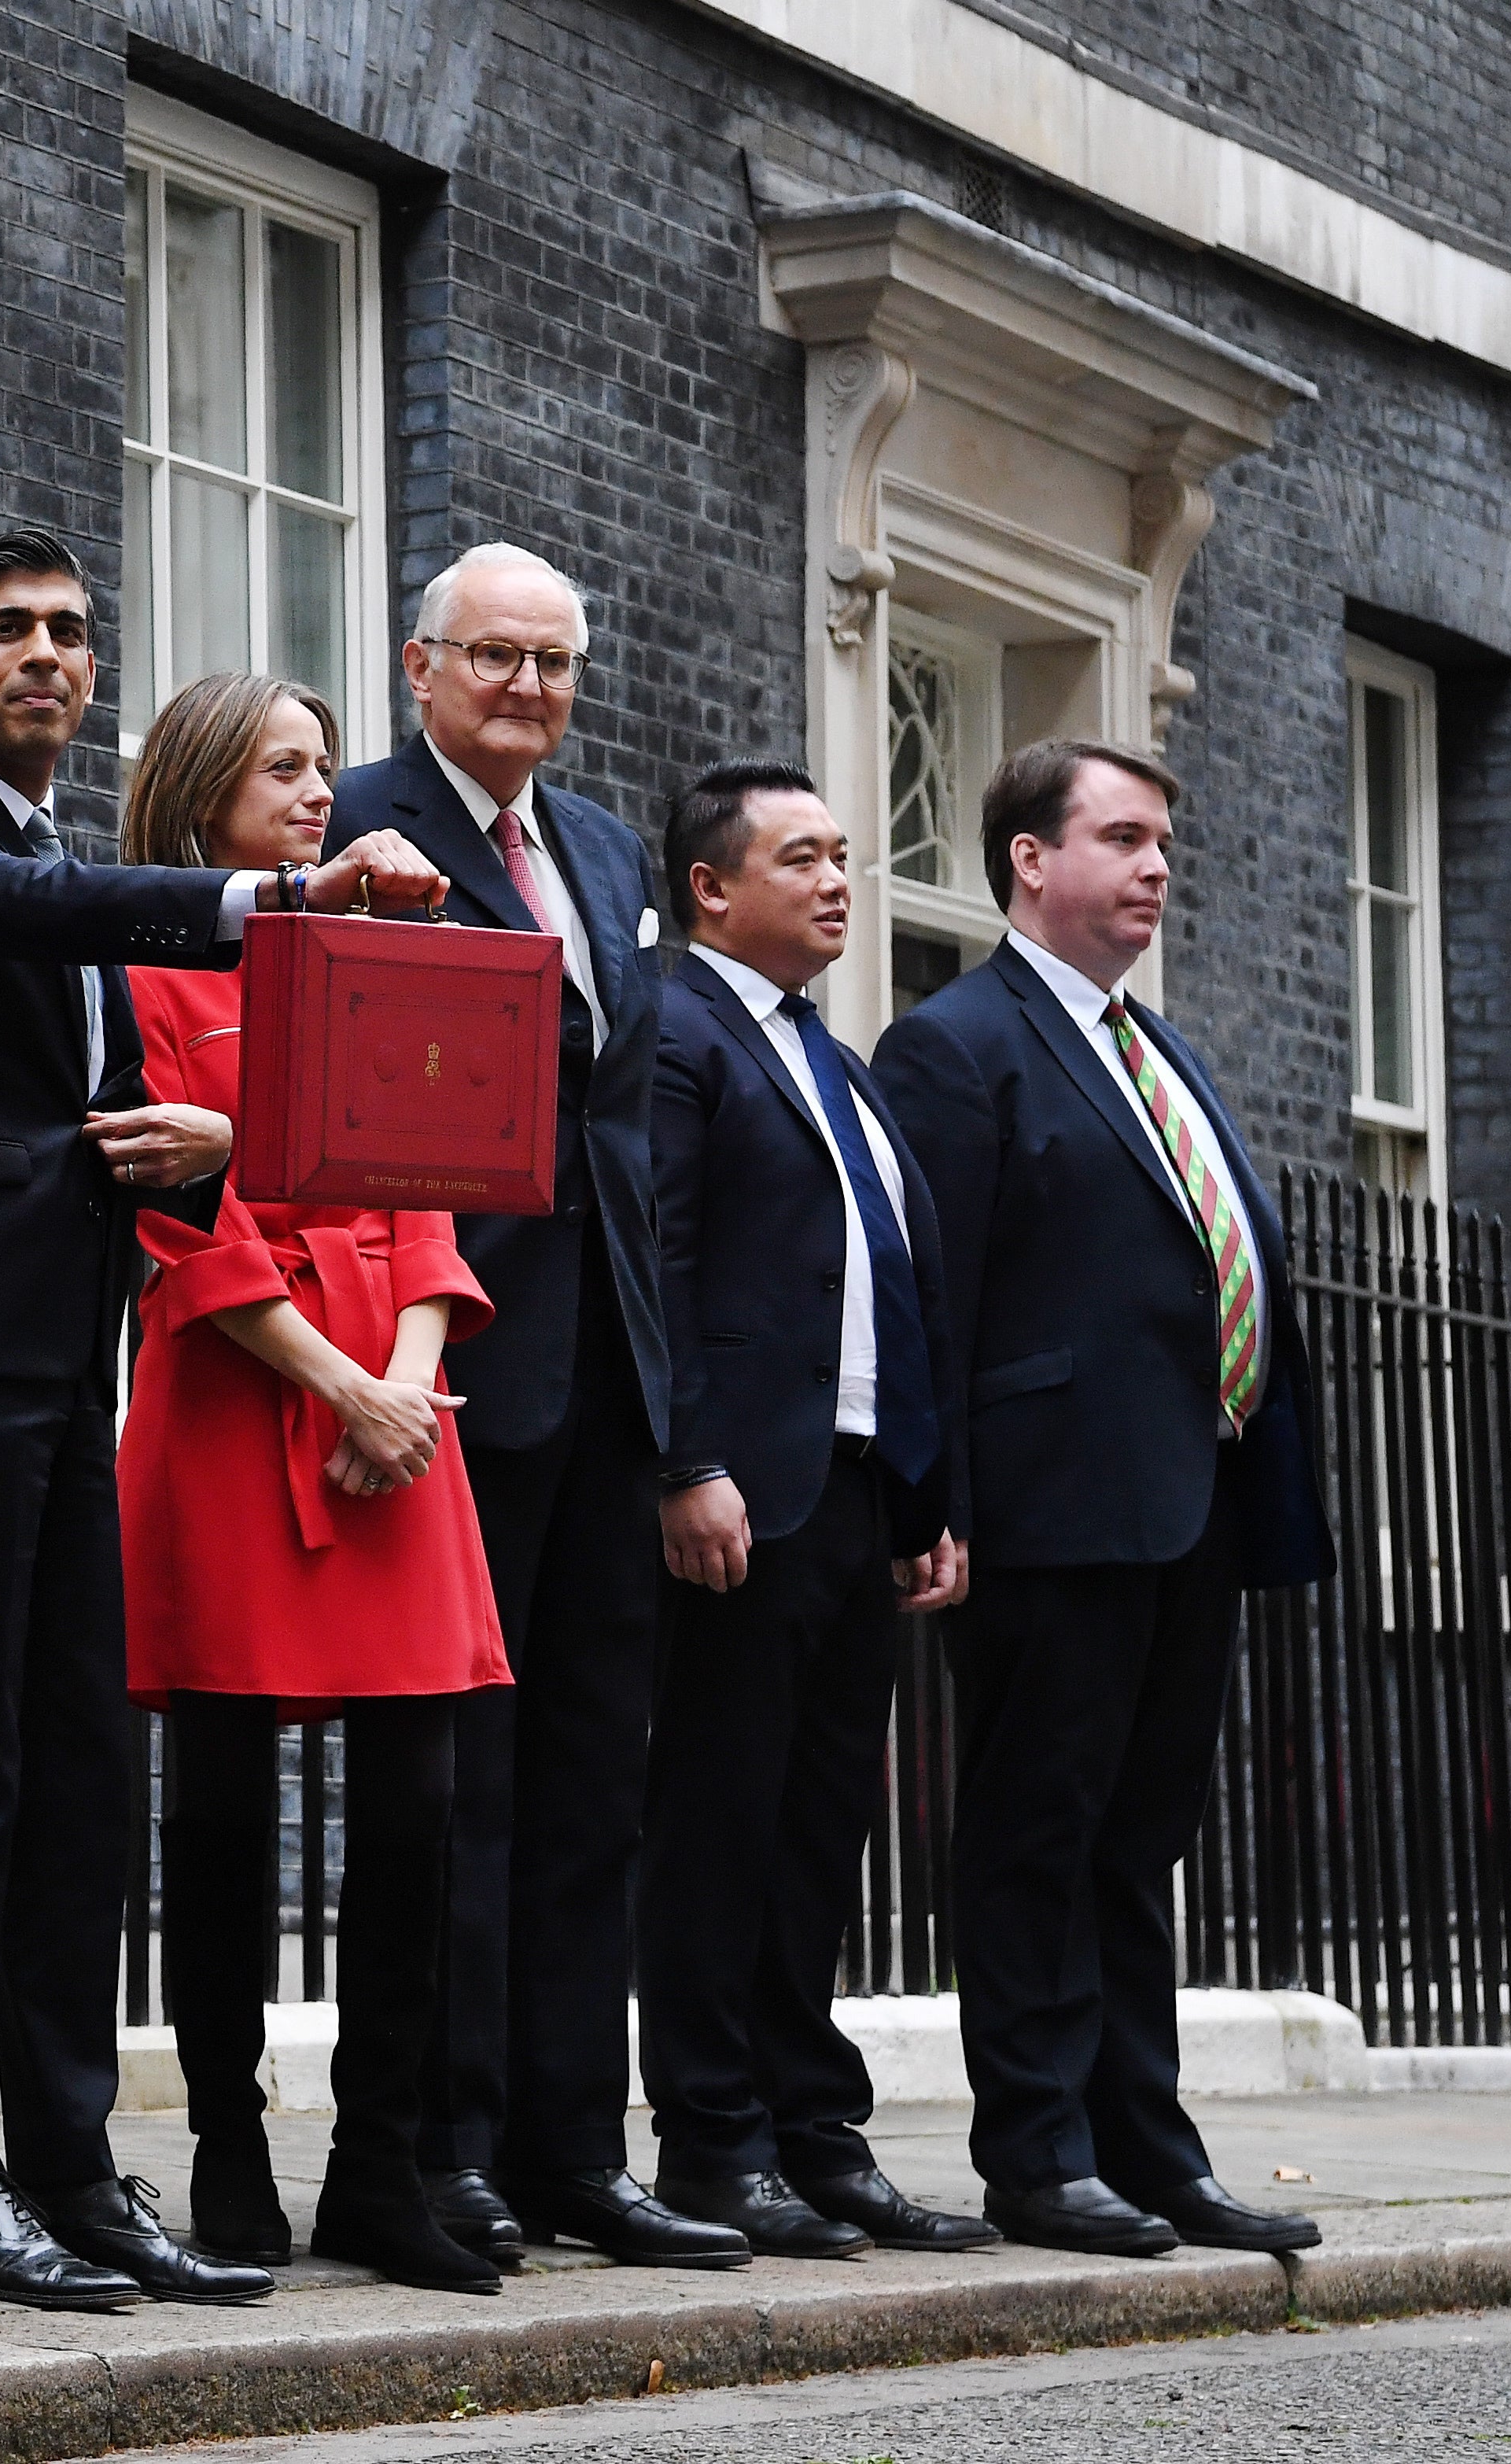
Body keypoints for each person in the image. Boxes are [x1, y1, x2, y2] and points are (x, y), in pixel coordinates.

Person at [0, 530, 444, 2313]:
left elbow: (166, 1106)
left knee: (77, 1788)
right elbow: (30, 918)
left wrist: (219, 1144)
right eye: (7, 632)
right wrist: (260, 906)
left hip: (66, 1366)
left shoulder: (62, 870)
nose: (45, 658)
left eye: (72, 637)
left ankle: (74, 2169)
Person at [321, 544, 743, 2270]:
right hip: (444, 1363)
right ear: (420, 667)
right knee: (452, 1792)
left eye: (555, 665)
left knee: (588, 1782)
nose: (527, 691)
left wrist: (677, 1424)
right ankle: (444, 2139)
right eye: (494, 658)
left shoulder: (609, 852)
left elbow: (626, 1147)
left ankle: (580, 2145)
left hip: (600, 1389)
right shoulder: (359, 824)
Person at [871, 739, 1336, 2260]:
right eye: (1122, 839)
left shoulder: (1158, 1047)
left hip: (1189, 1502)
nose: (1152, 868)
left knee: (1140, 1842)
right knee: (1036, 1832)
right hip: (1051, 1513)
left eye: (1160, 845)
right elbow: (927, 1294)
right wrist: (926, 1501)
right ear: (1028, 860)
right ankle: (1038, 2151)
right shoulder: (954, 1044)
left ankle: (1148, 2143)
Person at [111, 673, 508, 2298]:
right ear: (204, 786)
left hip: (399, 1415)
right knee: (215, 1811)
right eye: (281, 765)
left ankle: (378, 2161)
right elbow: (180, 1229)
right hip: (235, 1398)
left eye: (325, 766)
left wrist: (404, 1386)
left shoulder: (372, 963)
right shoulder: (141, 961)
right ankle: (221, 2142)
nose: (315, 789)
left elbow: (430, 1193)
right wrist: (341, 1383)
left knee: (415, 1808)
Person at [632, 761, 990, 2259]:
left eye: (847, 856)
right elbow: (658, 1256)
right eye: (802, 858)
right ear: (712, 887)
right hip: (743, 1492)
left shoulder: (831, 1061)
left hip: (855, 1492)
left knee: (819, 1825)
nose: (840, 880)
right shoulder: (675, 1025)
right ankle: (713, 2139)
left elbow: (894, 1289)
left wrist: (927, 1494)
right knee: (720, 1819)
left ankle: (812, 2125)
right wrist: (683, 1461)